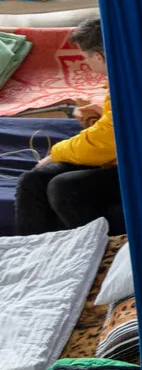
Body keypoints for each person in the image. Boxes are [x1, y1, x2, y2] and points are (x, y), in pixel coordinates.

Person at [16, 17, 123, 235]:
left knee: (63, 187)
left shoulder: (128, 82)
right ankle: (35, 249)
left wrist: (56, 153)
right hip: (115, 157)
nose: (86, 63)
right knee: (33, 180)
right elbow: (119, 125)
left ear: (99, 57)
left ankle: (99, 248)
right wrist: (103, 113)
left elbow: (108, 140)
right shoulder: (120, 78)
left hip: (134, 166)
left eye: (86, 57)